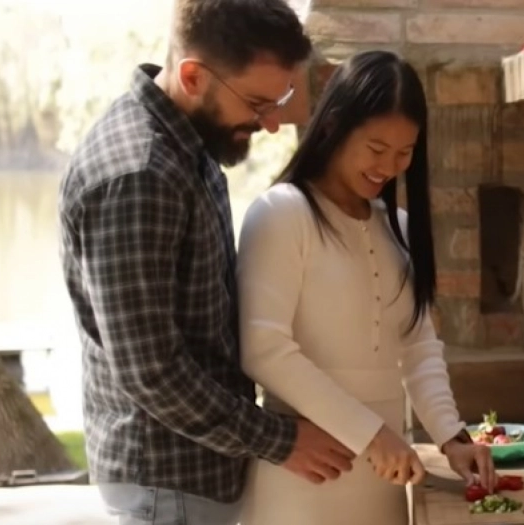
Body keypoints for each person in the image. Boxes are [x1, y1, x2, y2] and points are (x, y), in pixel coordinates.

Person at [57, 1, 355, 524]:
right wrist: (281, 439)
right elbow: (152, 373)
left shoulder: (188, 145)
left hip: (194, 477)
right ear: (193, 76)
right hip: (166, 485)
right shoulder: (139, 174)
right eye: (257, 103)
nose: (270, 123)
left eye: (280, 100)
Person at [235, 50, 496, 525]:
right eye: (376, 148)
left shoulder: (397, 226)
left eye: (405, 152)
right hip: (303, 479)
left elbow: (419, 347)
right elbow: (264, 350)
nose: (389, 167)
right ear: (334, 125)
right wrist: (371, 435)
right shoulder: (280, 214)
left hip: (385, 478)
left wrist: (452, 437)